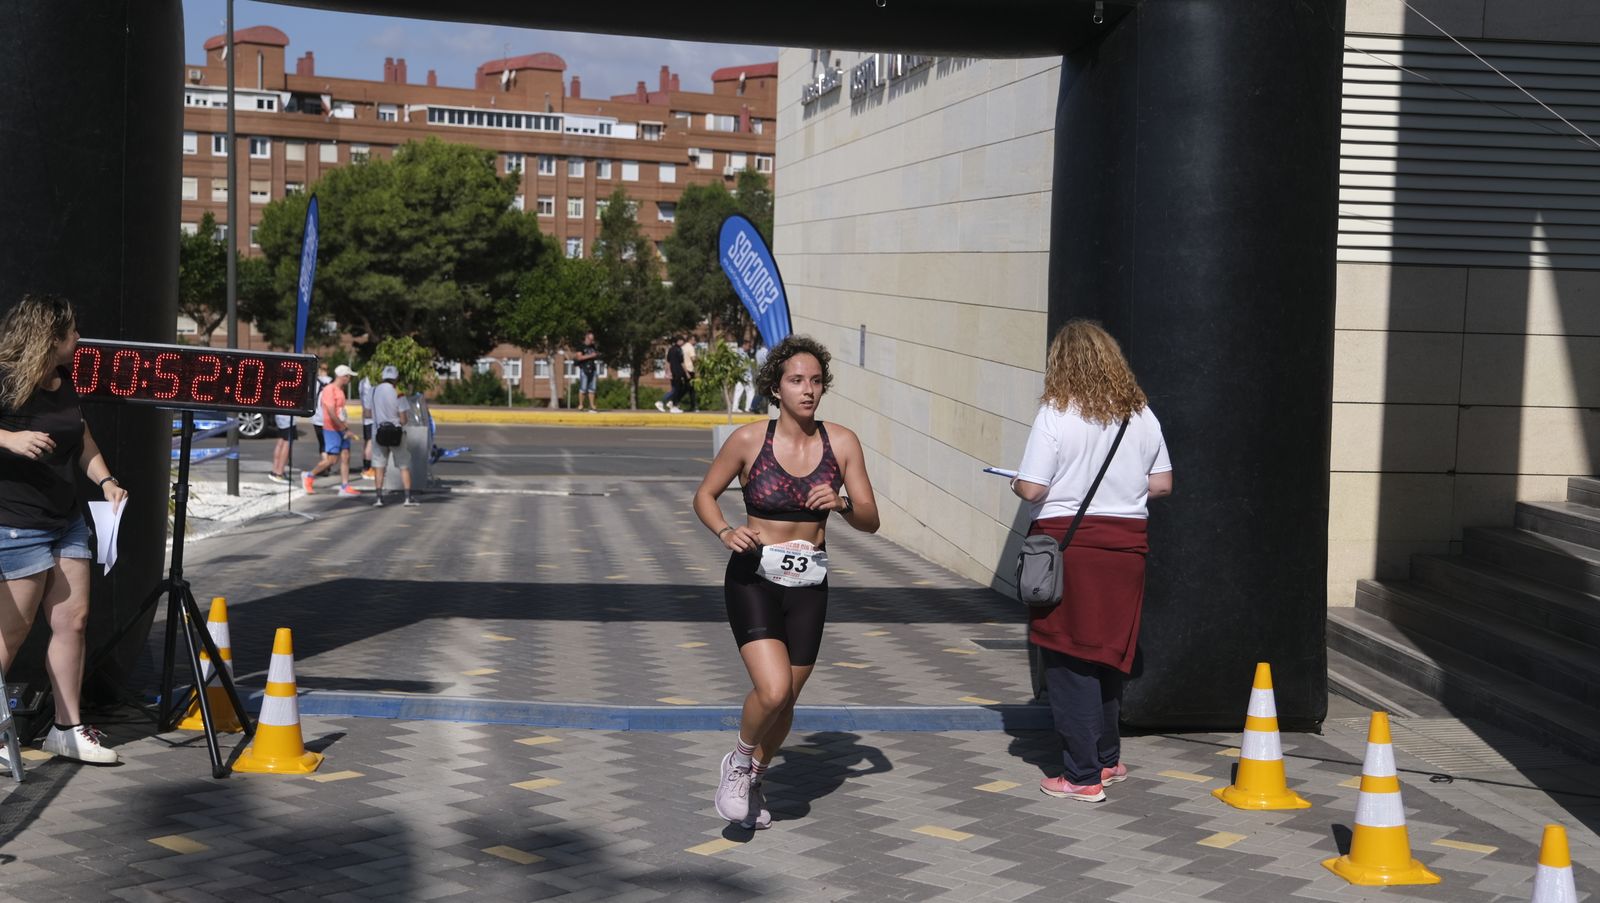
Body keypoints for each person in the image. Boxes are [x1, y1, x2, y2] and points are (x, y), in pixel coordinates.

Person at [692, 334, 879, 829]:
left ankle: (756, 774)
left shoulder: (841, 443)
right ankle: (736, 764)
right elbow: (705, 496)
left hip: (809, 583)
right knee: (772, 691)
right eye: (797, 380)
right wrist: (726, 530)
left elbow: (871, 519)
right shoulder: (751, 440)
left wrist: (840, 504)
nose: (808, 390)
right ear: (776, 387)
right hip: (754, 576)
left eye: (816, 381)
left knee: (787, 701)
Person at [1010, 320, 1172, 803]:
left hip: (1072, 548)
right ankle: (1107, 760)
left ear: (1061, 364)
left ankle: (1080, 777)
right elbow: (1162, 484)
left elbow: (1034, 488)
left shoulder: (1056, 414)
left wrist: (1016, 482)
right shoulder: (1140, 414)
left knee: (1069, 656)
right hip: (1127, 549)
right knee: (1106, 656)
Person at [0, 294, 126, 765]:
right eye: (72, 331)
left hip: (66, 519)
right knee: (11, 633)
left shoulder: (65, 378)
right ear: (49, 336)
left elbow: (82, 436)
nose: (78, 338)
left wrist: (107, 480)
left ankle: (66, 729)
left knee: (72, 620)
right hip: (15, 523)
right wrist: (8, 437)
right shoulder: (6, 377)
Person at [303, 364, 360, 497]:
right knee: (332, 460)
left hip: (341, 428)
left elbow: (340, 411)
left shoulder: (340, 390)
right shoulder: (329, 390)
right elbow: (330, 411)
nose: (350, 379)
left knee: (346, 456)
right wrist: (344, 428)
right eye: (349, 376)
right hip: (332, 428)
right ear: (343, 376)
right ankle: (309, 476)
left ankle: (345, 486)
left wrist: (345, 427)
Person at [369, 366, 417, 508]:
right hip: (396, 433)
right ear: (396, 378)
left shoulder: (373, 391)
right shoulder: (398, 393)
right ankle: (407, 498)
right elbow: (403, 419)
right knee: (403, 465)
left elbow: (367, 412)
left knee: (379, 466)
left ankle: (379, 498)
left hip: (379, 433)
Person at [656, 334, 688, 414]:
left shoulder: (671, 349)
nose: (683, 343)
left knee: (675, 389)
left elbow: (667, 361)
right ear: (679, 341)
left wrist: (667, 372)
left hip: (672, 372)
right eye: (682, 341)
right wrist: (686, 372)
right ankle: (664, 402)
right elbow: (682, 362)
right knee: (677, 389)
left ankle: (672, 404)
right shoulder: (678, 350)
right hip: (678, 372)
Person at [573, 332, 601, 413]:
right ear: (586, 338)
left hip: (593, 369)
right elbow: (579, 357)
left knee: (592, 388)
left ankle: (592, 405)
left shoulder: (593, 346)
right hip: (584, 369)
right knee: (583, 388)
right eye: (591, 339)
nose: (592, 341)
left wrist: (597, 355)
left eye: (593, 340)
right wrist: (591, 356)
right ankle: (581, 405)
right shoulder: (581, 346)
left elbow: (595, 354)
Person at [267, 413, 297, 483]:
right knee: (287, 442)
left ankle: (275, 471)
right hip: (287, 417)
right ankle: (279, 473)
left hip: (280, 416)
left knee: (281, 441)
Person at [308, 363, 331, 452]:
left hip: (317, 418)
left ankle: (324, 462)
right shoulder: (332, 382)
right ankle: (327, 463)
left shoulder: (314, 382)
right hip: (328, 418)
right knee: (328, 443)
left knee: (321, 443)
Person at [358, 373, 376, 481]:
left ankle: (365, 466)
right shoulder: (371, 384)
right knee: (370, 443)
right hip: (372, 417)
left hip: (366, 417)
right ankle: (368, 468)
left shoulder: (362, 382)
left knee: (366, 443)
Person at [731, 340, 755, 413]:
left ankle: (735, 408)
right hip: (745, 376)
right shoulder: (741, 353)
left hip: (741, 375)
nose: (749, 348)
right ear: (744, 345)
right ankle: (748, 408)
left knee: (738, 391)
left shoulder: (741, 352)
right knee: (750, 391)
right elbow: (743, 365)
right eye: (748, 346)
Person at [680, 335, 699, 412]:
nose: (695, 343)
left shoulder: (683, 347)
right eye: (695, 341)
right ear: (691, 340)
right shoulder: (691, 348)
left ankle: (693, 406)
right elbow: (693, 359)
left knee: (689, 389)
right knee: (689, 389)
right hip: (690, 370)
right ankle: (674, 400)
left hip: (683, 369)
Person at [751, 342, 771, 414]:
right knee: (763, 392)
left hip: (760, 372)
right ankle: (754, 406)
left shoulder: (758, 352)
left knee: (761, 391)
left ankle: (754, 406)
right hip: (766, 373)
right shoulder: (766, 352)